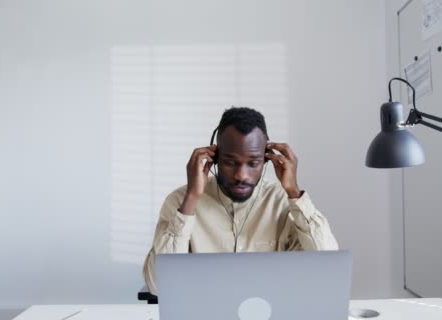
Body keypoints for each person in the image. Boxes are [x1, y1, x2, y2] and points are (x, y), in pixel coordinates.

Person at [142, 107, 338, 294]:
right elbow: (158, 285)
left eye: (253, 163)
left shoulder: (284, 202)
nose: (241, 175)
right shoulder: (180, 201)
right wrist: (191, 199)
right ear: (215, 157)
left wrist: (294, 192)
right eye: (230, 162)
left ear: (267, 160)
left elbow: (328, 268)